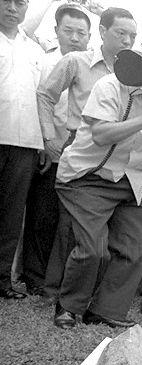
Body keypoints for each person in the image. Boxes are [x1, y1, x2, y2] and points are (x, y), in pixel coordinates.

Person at [52, 29, 142, 329]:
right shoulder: (110, 85)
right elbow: (101, 135)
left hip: (132, 181)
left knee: (136, 248)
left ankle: (105, 310)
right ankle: (68, 306)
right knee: (92, 248)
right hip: (88, 176)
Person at [37, 6, 136, 299]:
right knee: (69, 226)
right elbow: (45, 94)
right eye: (121, 33)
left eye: (132, 35)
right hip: (78, 146)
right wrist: (48, 136)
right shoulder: (76, 62)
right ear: (103, 32)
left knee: (94, 232)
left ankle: (86, 291)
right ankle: (54, 288)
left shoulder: (133, 72)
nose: (127, 41)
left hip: (114, 153)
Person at [19, 3, 91, 297]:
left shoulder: (90, 66)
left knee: (68, 221)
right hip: (49, 150)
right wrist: (44, 145)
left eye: (81, 33)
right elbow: (38, 104)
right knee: (42, 214)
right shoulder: (43, 61)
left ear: (89, 36)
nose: (75, 37)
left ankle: (58, 276)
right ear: (57, 31)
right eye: (69, 31)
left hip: (80, 154)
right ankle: (34, 277)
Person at [0, 0, 46, 300]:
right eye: (7, 1)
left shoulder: (35, 51)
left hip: (26, 142)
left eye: (20, 2)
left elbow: (43, 99)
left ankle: (2, 280)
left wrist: (43, 141)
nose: (12, 8)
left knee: (11, 215)